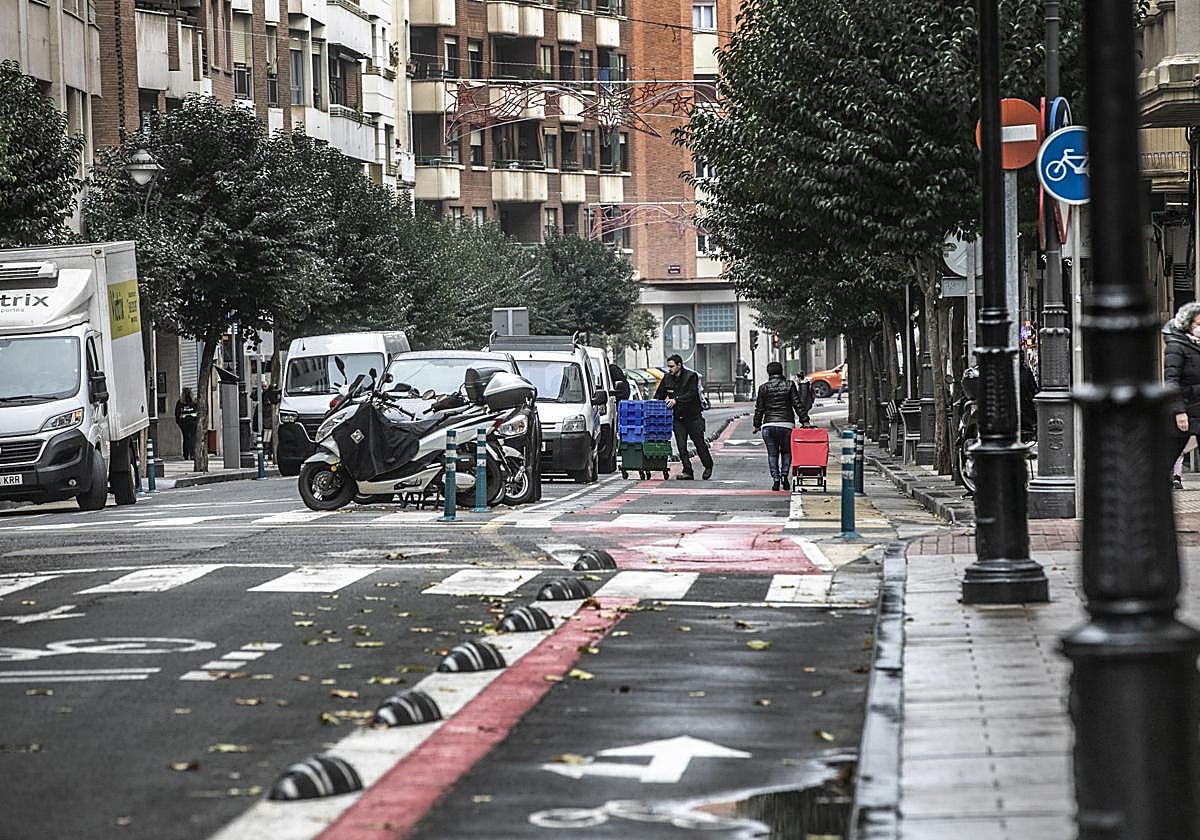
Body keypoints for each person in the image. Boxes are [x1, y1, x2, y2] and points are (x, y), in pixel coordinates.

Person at [654, 354, 713, 480]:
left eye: (672, 366)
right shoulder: (667, 378)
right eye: (668, 366)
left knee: (699, 443)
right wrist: (654, 405)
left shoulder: (691, 376)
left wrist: (676, 400)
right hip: (677, 418)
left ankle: (708, 465)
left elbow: (691, 394)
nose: (669, 369)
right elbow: (659, 395)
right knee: (681, 446)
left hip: (693, 416)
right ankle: (687, 471)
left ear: (679, 365)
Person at [753, 361, 805, 491]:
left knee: (772, 454)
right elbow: (797, 404)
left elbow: (759, 408)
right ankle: (784, 476)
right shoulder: (789, 385)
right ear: (782, 371)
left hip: (768, 425)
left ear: (768, 372)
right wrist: (805, 420)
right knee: (787, 452)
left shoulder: (763, 388)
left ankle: (775, 479)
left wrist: (756, 425)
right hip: (786, 424)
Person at [1164, 302, 1200, 486]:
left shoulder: (1197, 346)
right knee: (1170, 453)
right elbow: (1171, 381)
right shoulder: (1176, 347)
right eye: (1197, 323)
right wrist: (1179, 411)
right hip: (1185, 409)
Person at [174, 387, 199, 460]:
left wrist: (179, 422)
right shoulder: (194, 402)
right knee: (192, 438)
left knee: (186, 438)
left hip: (184, 423)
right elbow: (198, 411)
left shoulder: (180, 402)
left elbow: (177, 413)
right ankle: (192, 454)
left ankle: (186, 455)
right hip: (193, 422)